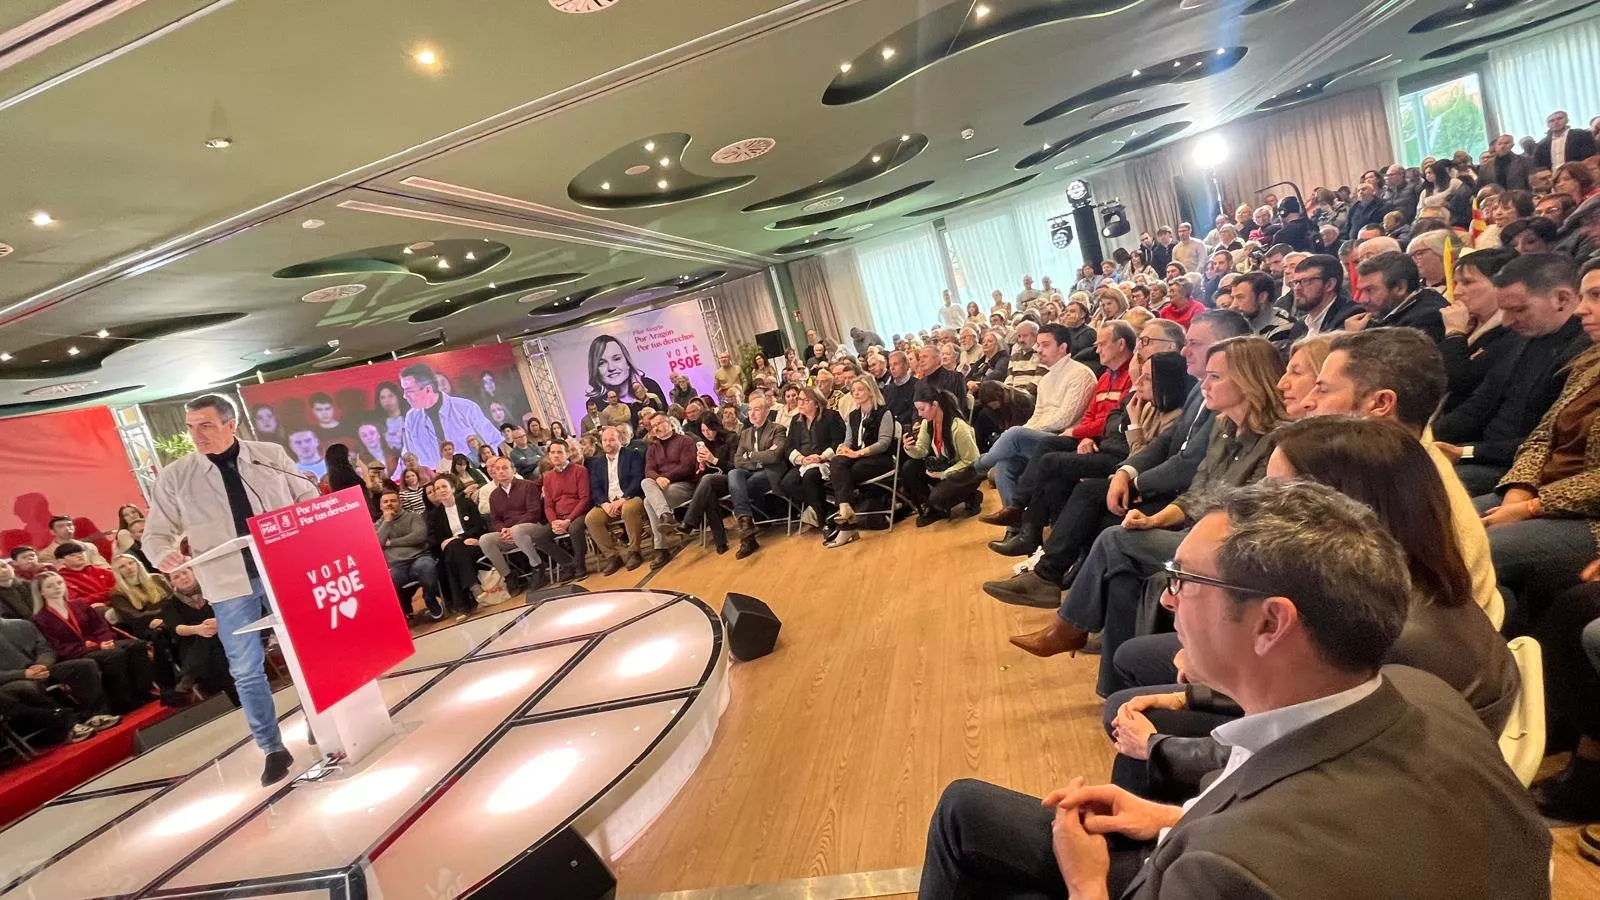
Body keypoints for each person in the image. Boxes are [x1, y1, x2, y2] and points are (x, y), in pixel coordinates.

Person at [919, 480, 1550, 900]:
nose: (1167, 599)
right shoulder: (1425, 693)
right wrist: (1172, 816)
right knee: (968, 809)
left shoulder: (1228, 868)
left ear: (1272, 622)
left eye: (1184, 581)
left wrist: (1086, 883)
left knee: (964, 816)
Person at [1007, 336, 1288, 689]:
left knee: (1114, 539)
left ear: (1248, 380)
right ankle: (1121, 688)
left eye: (1215, 377)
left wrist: (1176, 526)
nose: (1203, 384)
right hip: (1194, 531)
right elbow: (1196, 493)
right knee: (1122, 572)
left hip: (1230, 547)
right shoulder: (1223, 427)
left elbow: (1247, 518)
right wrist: (1155, 520)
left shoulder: (1278, 443)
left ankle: (1069, 626)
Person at [1472, 259, 1600, 623]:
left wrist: (1532, 507)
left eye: (1596, 296)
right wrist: (1519, 491)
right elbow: (1542, 435)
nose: (1581, 309)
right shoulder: (1589, 361)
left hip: (1588, 517)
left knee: (1476, 549)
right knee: (1448, 522)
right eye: (1584, 295)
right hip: (1541, 493)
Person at [1436, 253, 1591, 495]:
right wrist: (1420, 437)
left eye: (1518, 310)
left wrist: (1466, 452)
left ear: (1562, 299)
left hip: (1522, 469)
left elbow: (1550, 440)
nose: (1507, 321)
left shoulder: (1582, 352)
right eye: (1504, 310)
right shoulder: (1519, 338)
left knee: (1418, 487)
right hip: (1483, 453)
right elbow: (1478, 405)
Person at [973, 324, 1097, 507]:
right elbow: (1038, 414)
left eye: (1045, 345)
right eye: (1038, 345)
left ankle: (977, 466)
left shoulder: (1080, 374)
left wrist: (1023, 433)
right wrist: (1026, 431)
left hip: (1068, 438)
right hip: (1046, 438)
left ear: (1062, 347)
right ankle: (1016, 525)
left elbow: (1065, 418)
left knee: (1014, 434)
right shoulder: (1046, 379)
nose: (1039, 350)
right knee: (1004, 465)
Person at [31, 570, 154, 715]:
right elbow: (55, 646)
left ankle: (143, 691)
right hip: (75, 653)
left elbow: (100, 626)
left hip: (98, 644)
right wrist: (95, 647)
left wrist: (105, 640)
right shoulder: (40, 619)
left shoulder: (80, 604)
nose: (57, 587)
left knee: (136, 645)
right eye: (50, 586)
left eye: (59, 583)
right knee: (114, 655)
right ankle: (122, 701)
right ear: (41, 592)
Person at [0, 614, 118, 744]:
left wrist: (43, 665)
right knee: (26, 687)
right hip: (9, 681)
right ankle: (69, 727)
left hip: (42, 668)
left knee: (84, 665)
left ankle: (95, 715)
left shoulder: (22, 624)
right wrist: (24, 674)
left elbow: (45, 649)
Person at [480, 456, 579, 592]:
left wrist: (512, 529)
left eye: (505, 468)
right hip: (510, 533)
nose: (501, 472)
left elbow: (534, 512)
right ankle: (509, 576)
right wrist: (503, 530)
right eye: (497, 469)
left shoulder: (527, 486)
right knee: (485, 540)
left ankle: (538, 566)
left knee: (517, 530)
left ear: (513, 470)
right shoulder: (494, 495)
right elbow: (495, 519)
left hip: (532, 527)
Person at [1440, 247, 1520, 412]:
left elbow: (1459, 383)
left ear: (1500, 284)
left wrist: (1454, 334)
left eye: (1467, 282)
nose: (1456, 292)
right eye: (1456, 283)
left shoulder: (1513, 332)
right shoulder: (1471, 323)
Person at [824, 377, 897, 547]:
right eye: (853, 391)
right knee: (836, 462)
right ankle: (845, 507)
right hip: (856, 457)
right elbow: (849, 441)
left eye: (860, 390)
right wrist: (844, 447)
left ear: (870, 391)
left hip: (878, 459)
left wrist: (858, 453)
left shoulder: (884, 412)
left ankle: (846, 523)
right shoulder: (853, 415)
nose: (855, 393)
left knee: (843, 473)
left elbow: (884, 443)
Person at [900, 384, 982, 526]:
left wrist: (944, 474)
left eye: (922, 409)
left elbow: (972, 460)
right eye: (917, 409)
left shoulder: (959, 427)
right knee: (909, 467)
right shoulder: (927, 423)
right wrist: (909, 448)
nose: (919, 414)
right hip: (945, 466)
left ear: (935, 405)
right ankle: (934, 508)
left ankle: (971, 495)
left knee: (938, 497)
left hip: (966, 473)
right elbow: (922, 451)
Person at [398, 361, 501, 466]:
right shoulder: (411, 418)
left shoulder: (466, 408)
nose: (405, 396)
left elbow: (495, 441)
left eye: (409, 391)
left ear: (428, 389)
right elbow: (407, 454)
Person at [728, 391, 790, 559]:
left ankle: (747, 533)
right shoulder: (745, 433)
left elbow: (775, 456)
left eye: (757, 409)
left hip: (770, 472)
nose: (752, 414)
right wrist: (759, 456)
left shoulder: (778, 429)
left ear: (767, 411)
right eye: (750, 410)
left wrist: (751, 455)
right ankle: (746, 523)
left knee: (743, 487)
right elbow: (737, 460)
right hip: (749, 471)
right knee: (733, 474)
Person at [779, 387, 845, 533]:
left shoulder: (831, 416)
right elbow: (788, 446)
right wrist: (801, 459)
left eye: (805, 400)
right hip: (805, 462)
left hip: (825, 460)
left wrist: (821, 457)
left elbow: (839, 441)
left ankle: (821, 520)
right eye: (799, 400)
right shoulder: (796, 421)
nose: (800, 403)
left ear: (816, 403)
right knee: (787, 483)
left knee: (811, 476)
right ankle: (826, 507)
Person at [161, 567, 234, 699]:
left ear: (193, 572)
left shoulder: (211, 589)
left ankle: (189, 674)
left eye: (185, 573)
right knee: (216, 652)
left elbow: (231, 611)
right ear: (171, 583)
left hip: (224, 635)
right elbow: (177, 628)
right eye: (176, 577)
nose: (183, 577)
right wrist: (198, 629)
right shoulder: (169, 603)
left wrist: (219, 623)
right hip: (192, 644)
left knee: (214, 646)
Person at [583, 426, 648, 573]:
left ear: (620, 440)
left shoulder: (632, 455)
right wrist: (604, 504)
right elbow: (596, 487)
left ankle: (634, 551)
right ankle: (612, 556)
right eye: (605, 440)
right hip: (608, 502)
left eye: (612, 440)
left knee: (629, 509)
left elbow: (638, 479)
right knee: (591, 519)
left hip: (630, 497)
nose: (608, 443)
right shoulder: (597, 463)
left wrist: (623, 499)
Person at [423, 475, 489, 617]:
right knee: (453, 550)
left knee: (451, 558)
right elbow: (436, 539)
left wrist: (460, 537)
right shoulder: (435, 515)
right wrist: (454, 541)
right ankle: (473, 585)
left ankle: (462, 606)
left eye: (444, 486)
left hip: (471, 544)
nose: (441, 490)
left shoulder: (466, 504)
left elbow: (478, 526)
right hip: (452, 550)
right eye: (437, 488)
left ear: (452, 488)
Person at [1349, 251, 1448, 343]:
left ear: (1400, 287)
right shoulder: (1385, 309)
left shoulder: (1428, 318)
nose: (1362, 299)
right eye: (1361, 291)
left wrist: (1354, 337)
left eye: (1370, 290)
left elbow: (1389, 360)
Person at [639, 414, 698, 569]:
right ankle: (666, 516)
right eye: (653, 426)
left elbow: (687, 467)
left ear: (670, 423)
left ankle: (661, 548)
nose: (656, 428)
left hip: (684, 485)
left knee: (648, 501)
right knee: (646, 486)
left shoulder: (685, 441)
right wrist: (658, 479)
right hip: (661, 489)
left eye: (659, 423)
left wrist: (665, 477)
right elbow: (649, 470)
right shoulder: (652, 448)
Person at [375, 490, 444, 621]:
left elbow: (419, 537)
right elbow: (377, 543)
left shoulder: (413, 517)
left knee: (427, 566)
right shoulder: (378, 525)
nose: (389, 504)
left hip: (418, 558)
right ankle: (402, 610)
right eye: (386, 502)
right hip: (396, 566)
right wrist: (387, 521)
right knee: (386, 581)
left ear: (400, 503)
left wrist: (391, 542)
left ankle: (429, 599)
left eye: (393, 501)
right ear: (380, 506)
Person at [678, 412, 741, 554]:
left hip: (732, 479)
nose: (706, 434)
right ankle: (720, 542)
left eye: (708, 430)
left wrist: (714, 460)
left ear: (716, 427)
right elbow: (703, 474)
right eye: (703, 431)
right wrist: (701, 466)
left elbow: (735, 467)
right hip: (713, 483)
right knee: (707, 490)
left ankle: (689, 521)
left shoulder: (731, 438)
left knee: (707, 482)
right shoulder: (705, 444)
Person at [539, 440, 590, 580]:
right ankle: (568, 564)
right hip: (559, 517)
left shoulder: (580, 470)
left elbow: (584, 499)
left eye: (560, 452)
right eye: (553, 453)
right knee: (540, 537)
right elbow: (548, 505)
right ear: (549, 456)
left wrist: (568, 520)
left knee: (574, 528)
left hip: (578, 513)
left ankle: (580, 565)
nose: (556, 456)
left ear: (567, 454)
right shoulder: (548, 477)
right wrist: (554, 522)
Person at [585, 334, 667, 412]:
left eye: (617, 359)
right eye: (602, 363)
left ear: (627, 361)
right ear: (595, 369)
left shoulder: (649, 385)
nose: (611, 368)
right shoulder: (595, 404)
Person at [1535, 108, 1599, 171]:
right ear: (1548, 125)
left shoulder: (1581, 135)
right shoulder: (1542, 144)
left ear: (1567, 120)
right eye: (1551, 121)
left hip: (1579, 174)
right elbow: (1539, 166)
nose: (1556, 122)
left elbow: (1590, 156)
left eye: (1560, 118)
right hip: (1553, 178)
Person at [40, 515, 108, 569]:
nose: (67, 528)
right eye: (60, 526)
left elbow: (104, 567)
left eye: (69, 525)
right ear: (53, 532)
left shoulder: (89, 547)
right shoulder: (46, 555)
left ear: (74, 528)